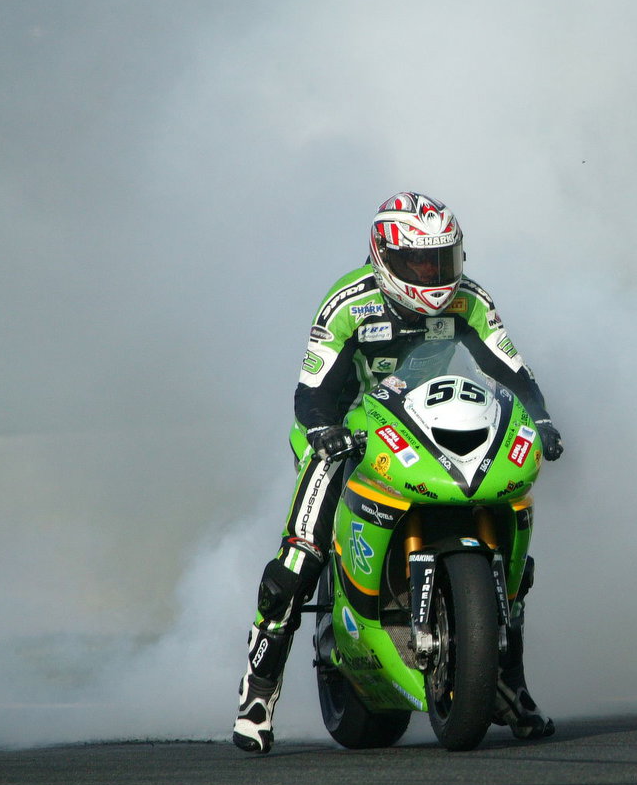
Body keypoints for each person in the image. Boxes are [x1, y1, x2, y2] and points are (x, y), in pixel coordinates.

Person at [232, 192, 564, 754]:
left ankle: (507, 679)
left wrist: (543, 419)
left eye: (443, 260)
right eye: (420, 262)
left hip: (420, 426)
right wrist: (323, 431)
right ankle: (259, 691)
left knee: (501, 513)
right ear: (385, 256)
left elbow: (510, 368)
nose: (435, 275)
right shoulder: (347, 303)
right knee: (300, 558)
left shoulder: (470, 300)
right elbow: (311, 393)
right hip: (345, 428)